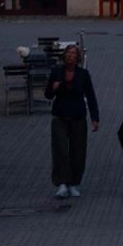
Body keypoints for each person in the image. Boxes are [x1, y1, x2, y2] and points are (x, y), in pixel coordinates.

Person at [43, 44, 99, 198]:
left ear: (77, 58)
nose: (70, 56)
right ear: (64, 56)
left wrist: (95, 118)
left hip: (78, 117)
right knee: (61, 150)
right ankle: (62, 182)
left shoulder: (83, 74)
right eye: (68, 53)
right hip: (60, 116)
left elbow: (91, 96)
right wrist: (53, 88)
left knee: (78, 151)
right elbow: (47, 95)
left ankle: (74, 182)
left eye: (74, 53)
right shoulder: (56, 72)